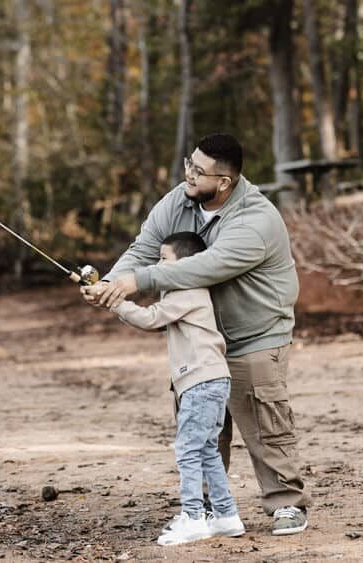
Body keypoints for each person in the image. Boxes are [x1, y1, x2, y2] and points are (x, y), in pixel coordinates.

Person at [83, 133, 311, 535]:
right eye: (189, 163)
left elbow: (204, 267)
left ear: (223, 182)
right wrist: (112, 283)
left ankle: (286, 504)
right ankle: (207, 506)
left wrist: (137, 282)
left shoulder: (255, 220)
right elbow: (143, 249)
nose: (187, 173)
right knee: (201, 423)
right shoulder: (179, 200)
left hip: (254, 335)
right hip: (199, 339)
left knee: (265, 424)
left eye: (198, 170)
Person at [88, 231, 245, 545]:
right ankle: (226, 516)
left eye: (163, 259)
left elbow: (150, 319)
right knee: (207, 450)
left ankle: (193, 517)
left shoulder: (188, 290)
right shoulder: (181, 293)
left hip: (202, 382)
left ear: (186, 264)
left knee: (188, 450)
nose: (158, 266)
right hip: (209, 380)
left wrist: (115, 301)